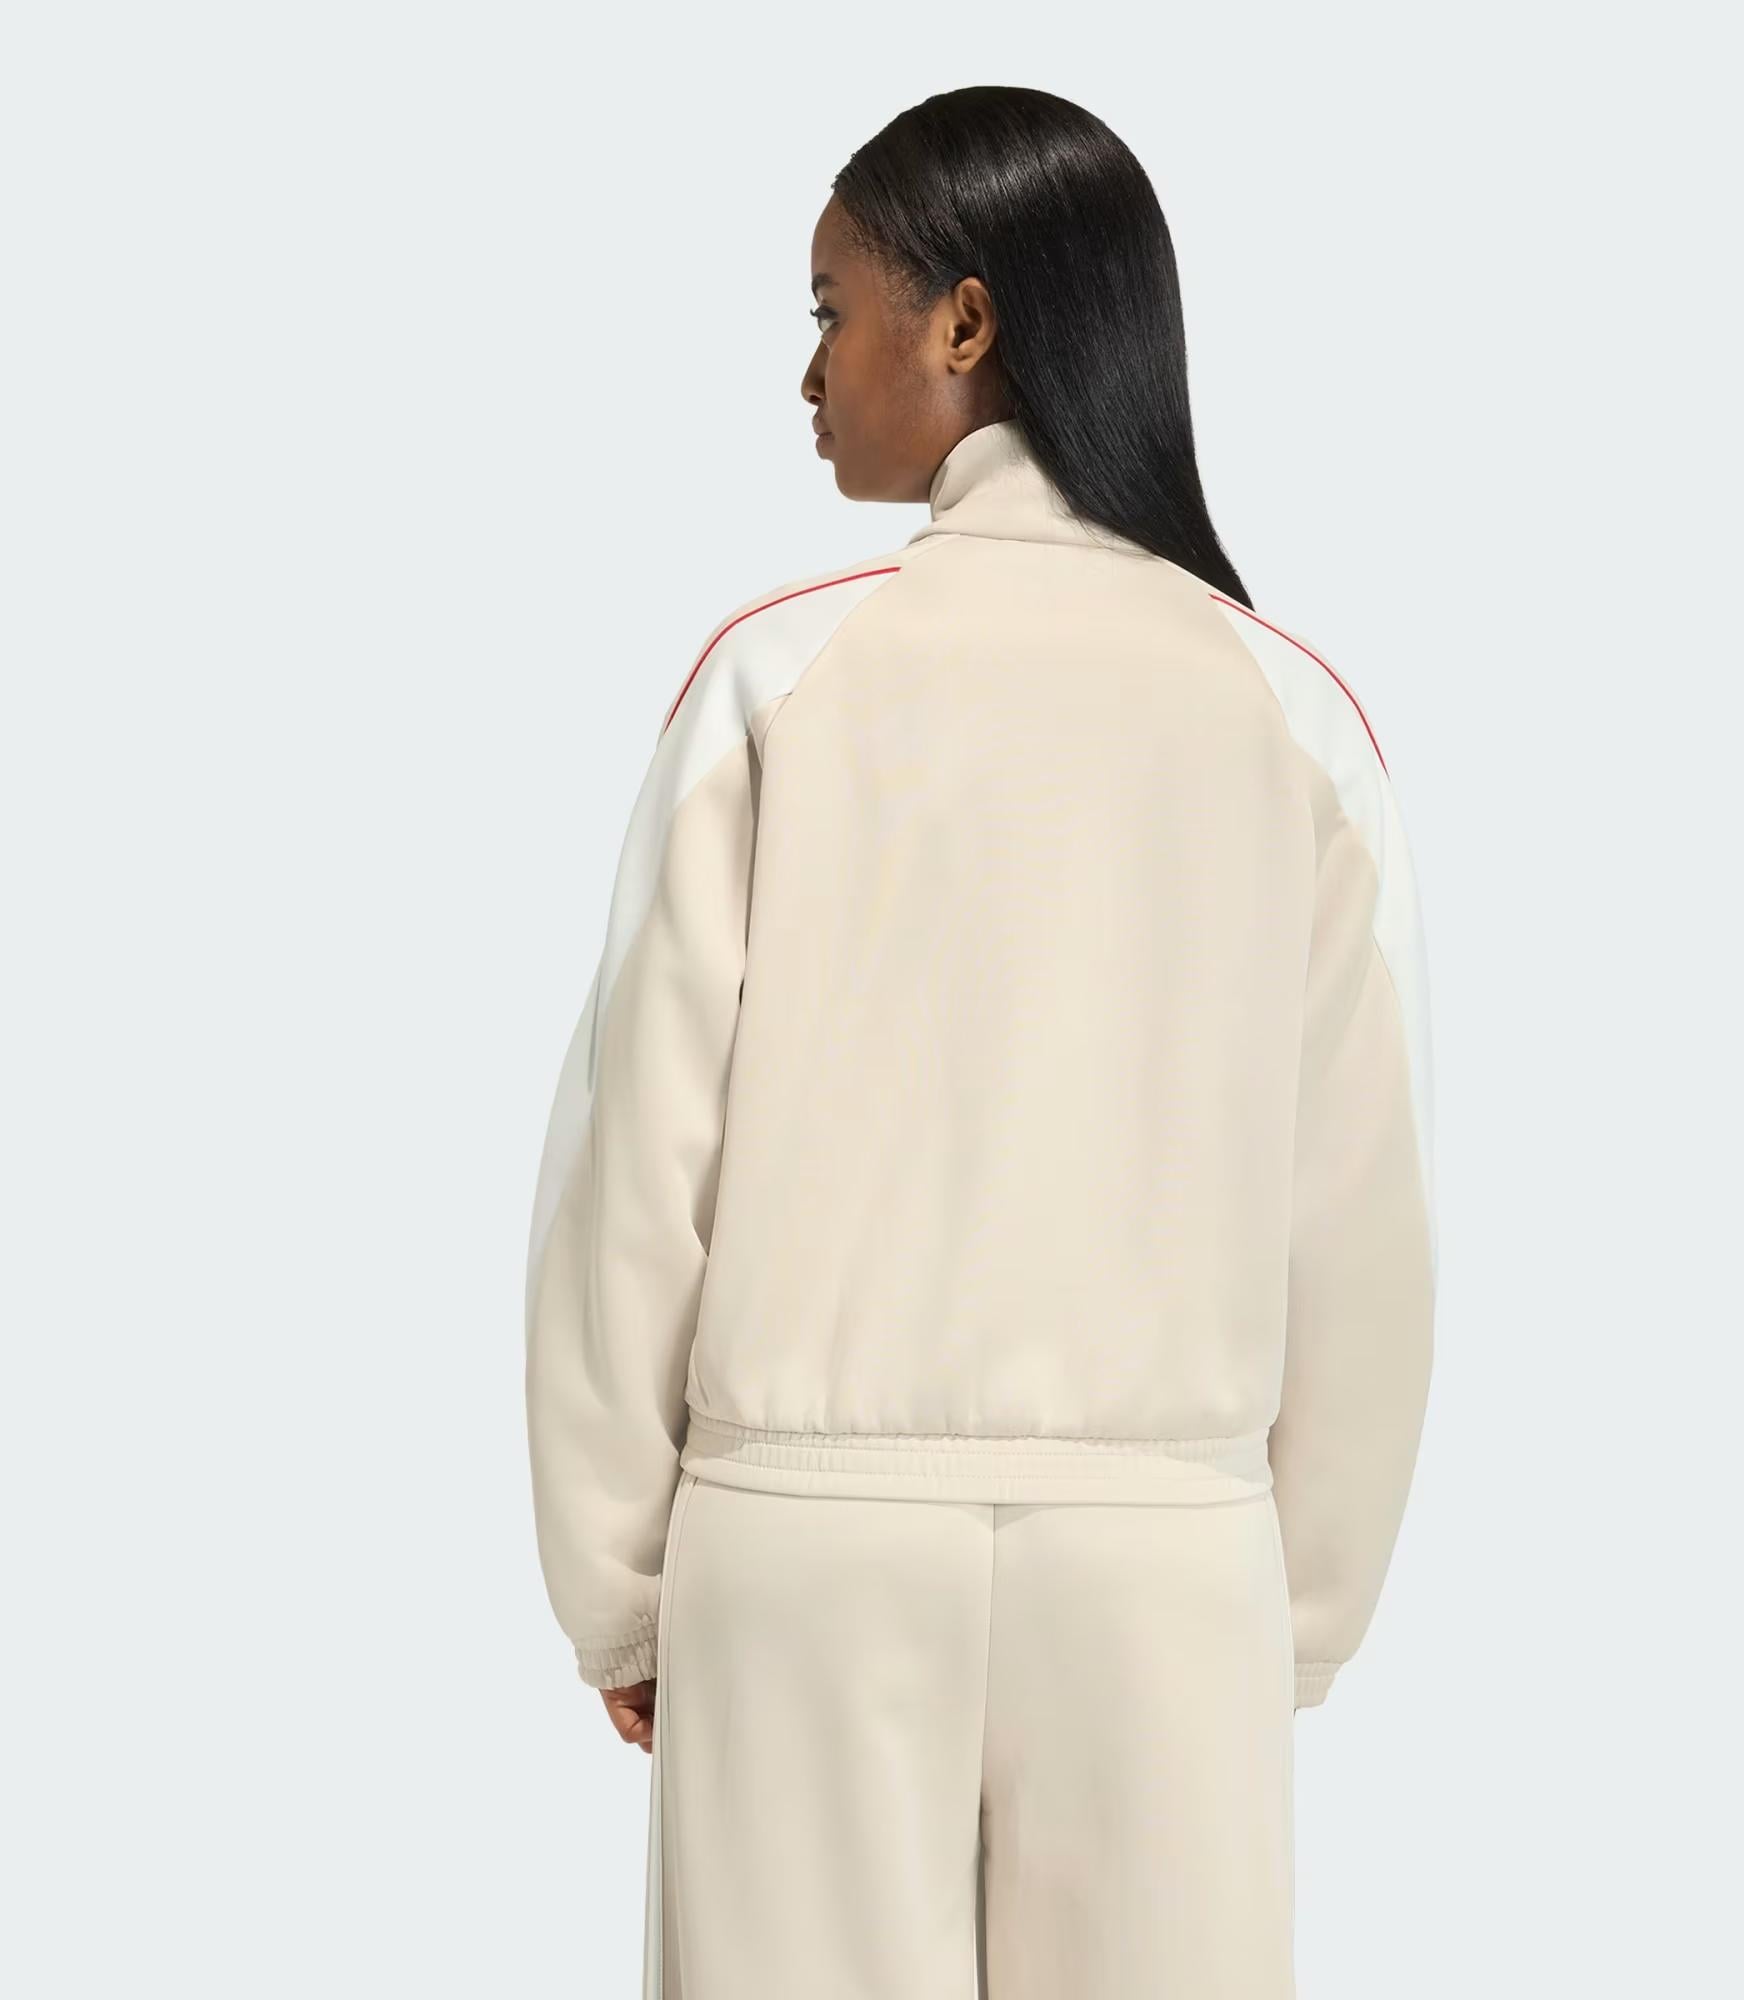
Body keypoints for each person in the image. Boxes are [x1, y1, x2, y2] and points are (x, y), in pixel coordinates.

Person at [523, 83, 1437, 2000]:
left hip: (802, 1552)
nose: (810, 375)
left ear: (966, 319)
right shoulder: (1291, 716)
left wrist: (621, 1584)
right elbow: (1362, 1222)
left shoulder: (782, 677)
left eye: (829, 310)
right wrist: (1287, 1619)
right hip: (1169, 1567)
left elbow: (636, 1167)